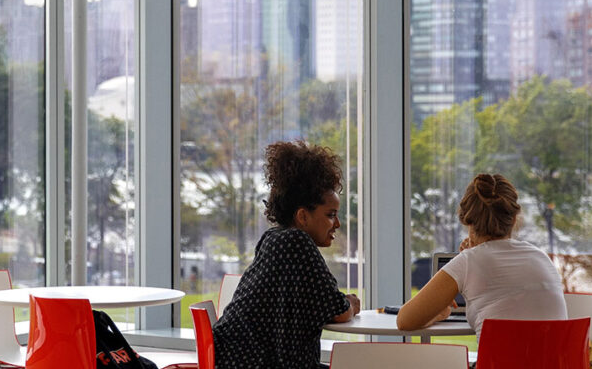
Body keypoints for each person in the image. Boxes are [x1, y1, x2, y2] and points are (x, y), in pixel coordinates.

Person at [213, 140, 360, 369]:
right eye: (331, 214)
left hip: (234, 359)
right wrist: (351, 303)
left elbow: (316, 303)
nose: (337, 223)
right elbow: (340, 311)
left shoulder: (273, 239)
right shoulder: (297, 242)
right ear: (302, 216)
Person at [396, 173, 566, 338]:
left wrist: (439, 314)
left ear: (467, 221)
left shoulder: (469, 261)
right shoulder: (541, 258)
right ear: (514, 219)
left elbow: (405, 320)